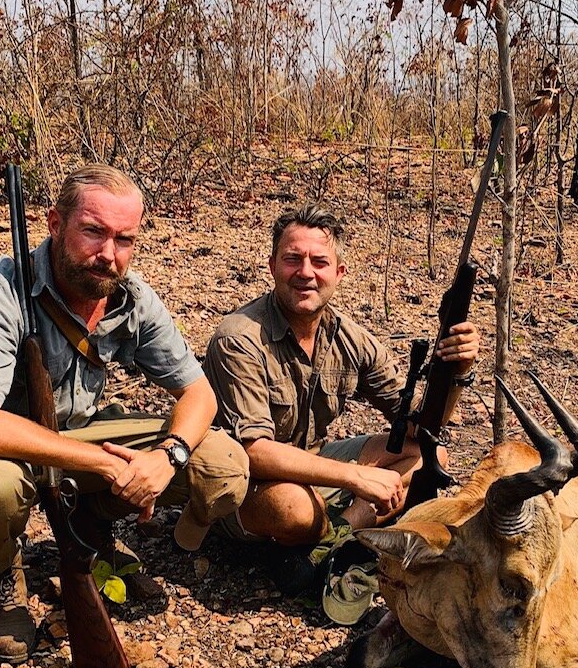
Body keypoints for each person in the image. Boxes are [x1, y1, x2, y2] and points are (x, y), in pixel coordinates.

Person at [0, 163, 249, 663]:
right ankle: (1, 573)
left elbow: (200, 394)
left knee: (223, 464)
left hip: (80, 436)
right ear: (55, 223)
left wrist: (165, 458)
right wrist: (107, 465)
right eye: (93, 232)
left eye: (124, 239)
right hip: (2, 447)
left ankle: (89, 527)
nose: (108, 254)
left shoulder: (133, 297)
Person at [203, 205, 479, 591]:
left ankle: (340, 538)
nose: (306, 273)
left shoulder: (350, 337)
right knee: (295, 508)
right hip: (240, 486)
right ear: (272, 267)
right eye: (292, 260)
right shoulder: (239, 338)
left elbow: (421, 426)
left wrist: (457, 371)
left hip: (311, 465)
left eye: (320, 262)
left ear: (339, 273)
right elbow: (256, 452)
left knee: (431, 456)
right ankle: (328, 535)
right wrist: (358, 476)